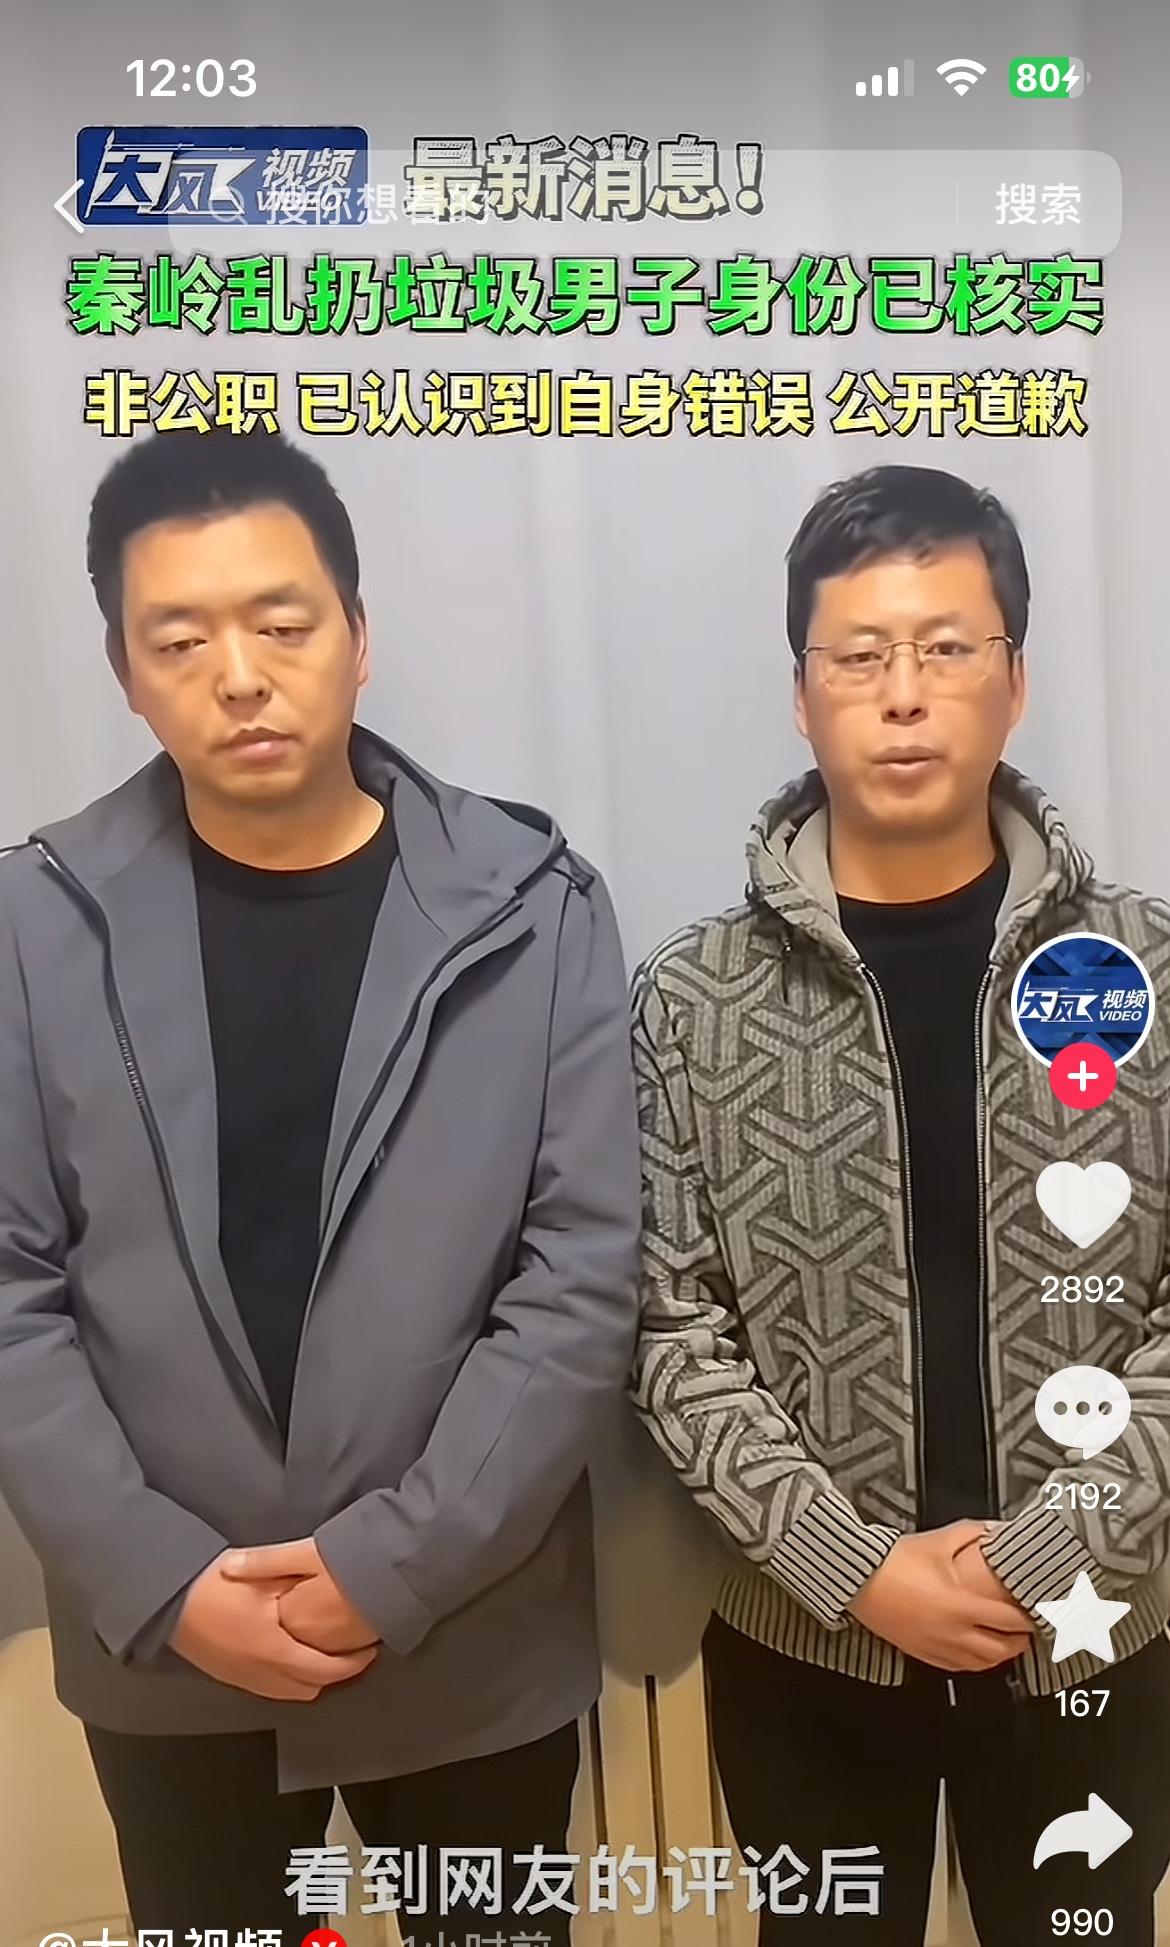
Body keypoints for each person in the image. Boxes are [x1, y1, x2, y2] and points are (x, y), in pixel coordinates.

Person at [0, 427, 641, 1941]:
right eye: (181, 639)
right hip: (173, 1651)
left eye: (281, 624)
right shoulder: (36, 921)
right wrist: (165, 1582)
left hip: (467, 1640)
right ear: (124, 670)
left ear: (357, 633)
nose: (239, 675)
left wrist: (392, 1565)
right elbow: (12, 1288)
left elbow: (581, 1277)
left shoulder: (533, 908)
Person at [631, 465, 1170, 1944]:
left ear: (1016, 678)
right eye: (859, 654)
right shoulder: (693, 998)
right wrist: (853, 1567)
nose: (904, 694)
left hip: (1091, 1627)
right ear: (802, 695)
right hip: (808, 1642)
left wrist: (1049, 1549)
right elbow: (667, 1329)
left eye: (947, 647)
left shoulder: (1145, 970)